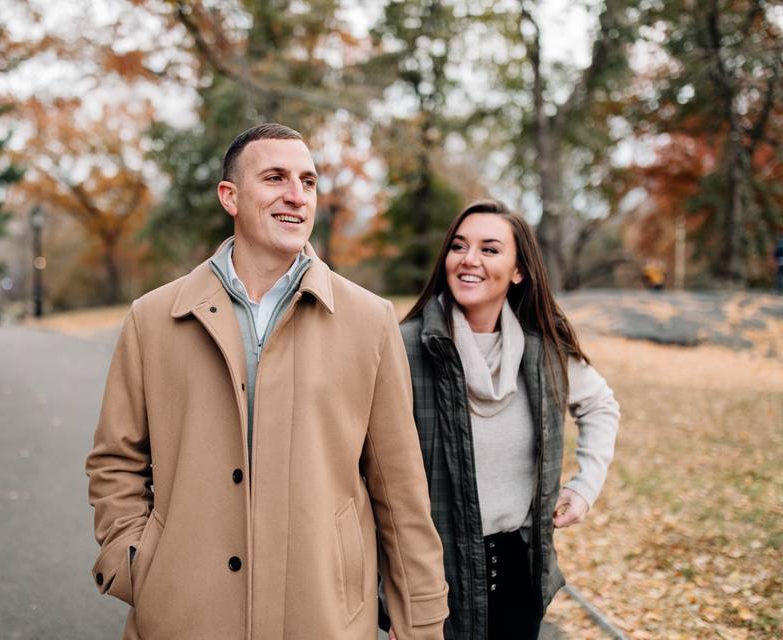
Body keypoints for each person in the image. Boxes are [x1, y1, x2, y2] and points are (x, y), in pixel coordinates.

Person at [86, 123, 448, 639]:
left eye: (308, 182)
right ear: (229, 197)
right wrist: (135, 564)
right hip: (182, 617)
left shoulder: (370, 320)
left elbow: (401, 489)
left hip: (323, 616)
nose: (296, 197)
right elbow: (114, 462)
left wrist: (423, 620)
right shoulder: (153, 319)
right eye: (275, 178)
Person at [399, 199, 620, 639]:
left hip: (521, 574)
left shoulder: (546, 351)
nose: (470, 259)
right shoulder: (404, 350)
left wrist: (585, 487)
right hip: (432, 579)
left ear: (519, 271)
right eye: (459, 246)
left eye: (490, 249)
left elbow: (600, 405)